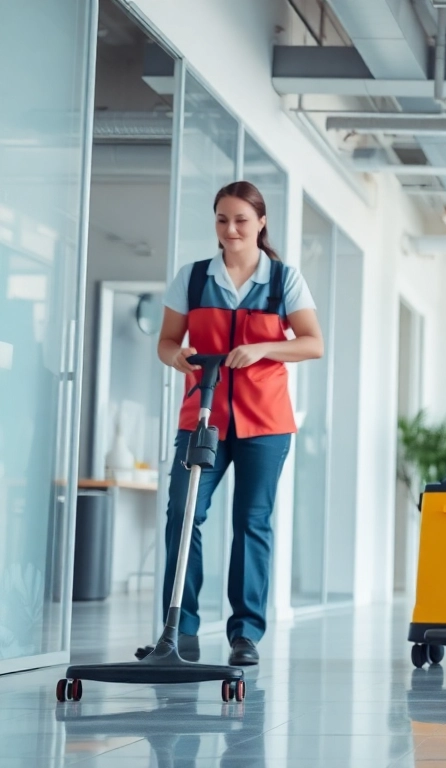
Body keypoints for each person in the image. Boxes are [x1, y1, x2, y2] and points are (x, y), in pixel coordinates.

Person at [145, 180, 322, 666]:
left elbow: (312, 342)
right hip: (202, 417)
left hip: (266, 422)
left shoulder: (283, 278)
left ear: (261, 222)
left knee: (251, 522)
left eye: (242, 219)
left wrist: (265, 347)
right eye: (223, 219)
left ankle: (245, 635)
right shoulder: (194, 277)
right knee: (183, 515)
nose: (231, 228)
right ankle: (178, 631)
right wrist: (175, 357)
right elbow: (166, 341)